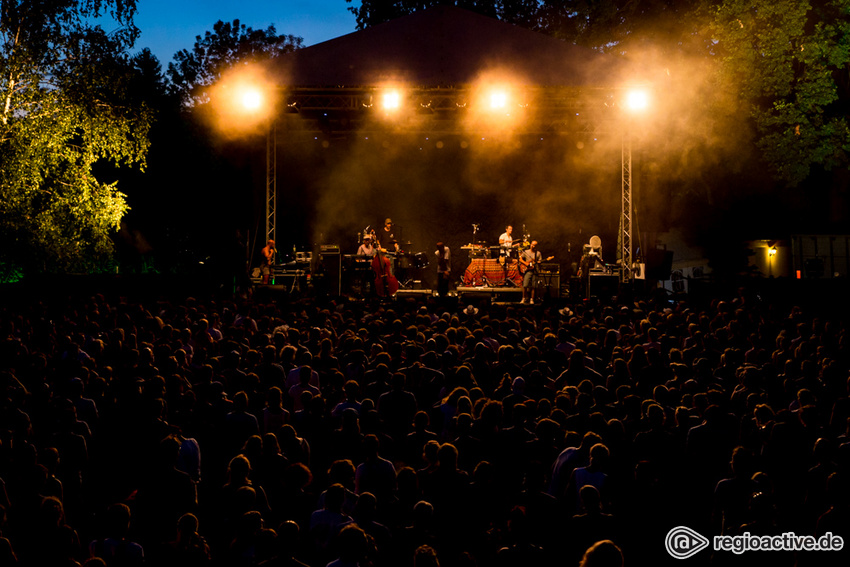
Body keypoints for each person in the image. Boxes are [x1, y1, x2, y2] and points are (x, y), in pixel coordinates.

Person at [519, 240, 542, 304]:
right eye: (532, 244)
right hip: (528, 270)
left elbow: (539, 262)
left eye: (534, 245)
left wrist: (538, 263)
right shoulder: (526, 252)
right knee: (525, 285)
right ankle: (523, 298)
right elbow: (520, 259)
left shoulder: (538, 253)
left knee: (533, 286)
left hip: (534, 271)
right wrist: (526, 263)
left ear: (536, 246)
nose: (532, 246)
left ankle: (532, 299)